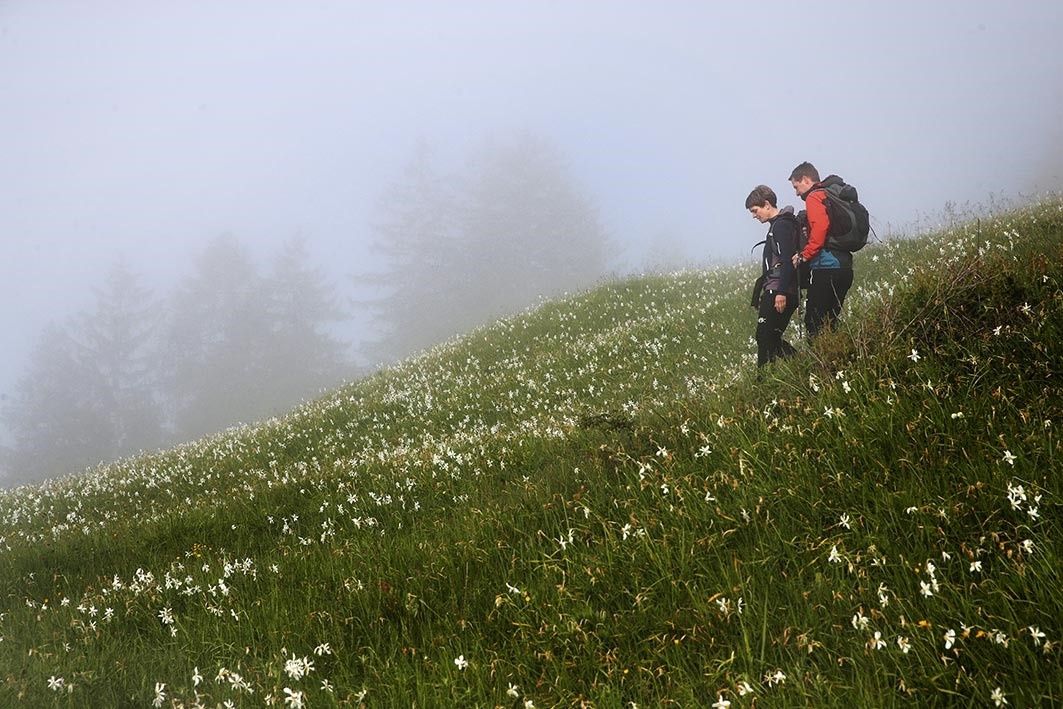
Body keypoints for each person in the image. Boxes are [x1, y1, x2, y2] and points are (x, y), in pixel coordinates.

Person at [789, 162, 855, 338]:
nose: (797, 193)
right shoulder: (832, 195)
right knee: (830, 322)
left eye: (796, 187)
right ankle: (839, 353)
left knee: (814, 323)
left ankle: (823, 356)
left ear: (805, 179)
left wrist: (804, 255)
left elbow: (820, 228)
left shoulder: (815, 197)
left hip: (826, 268)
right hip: (845, 267)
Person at [745, 184, 799, 367]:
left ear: (767, 204)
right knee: (769, 337)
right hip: (777, 289)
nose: (754, 216)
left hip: (779, 290)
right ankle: (797, 365)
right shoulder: (779, 225)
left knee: (765, 336)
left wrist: (781, 292)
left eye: (755, 210)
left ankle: (764, 377)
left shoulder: (780, 226)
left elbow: (787, 261)